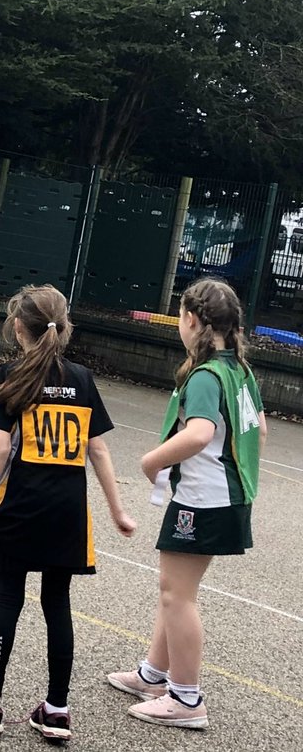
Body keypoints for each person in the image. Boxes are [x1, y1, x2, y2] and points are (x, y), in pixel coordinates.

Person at [0, 284, 135, 740]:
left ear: (16, 326)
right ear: (63, 327)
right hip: (67, 509)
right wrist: (117, 510)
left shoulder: (10, 373)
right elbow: (99, 450)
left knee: (9, 598)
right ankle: (57, 709)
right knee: (57, 605)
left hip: (23, 506)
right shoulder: (82, 378)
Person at [107, 278, 265, 730]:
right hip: (225, 495)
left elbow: (197, 434)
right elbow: (259, 430)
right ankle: (154, 675)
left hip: (204, 500)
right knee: (175, 591)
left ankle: (187, 698)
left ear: (192, 320)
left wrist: (151, 460)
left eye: (180, 316)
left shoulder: (206, 374)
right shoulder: (240, 370)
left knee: (177, 595)